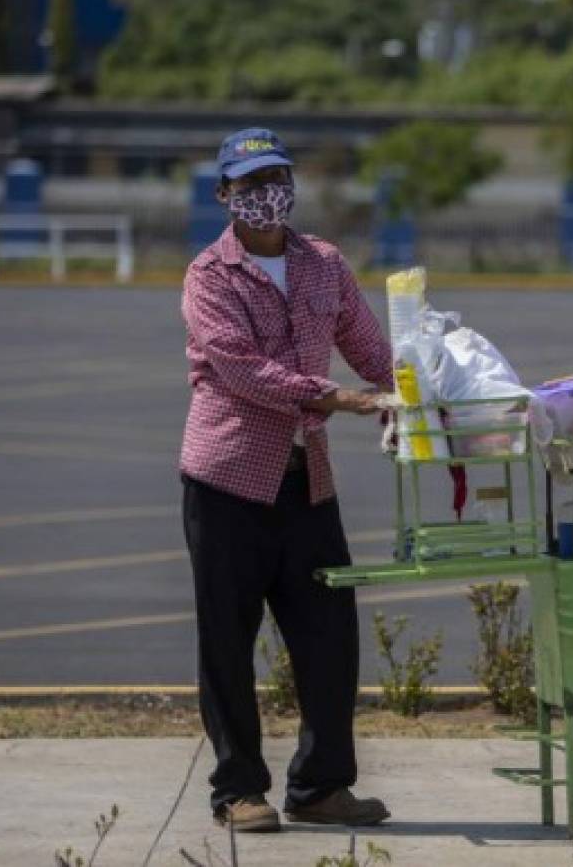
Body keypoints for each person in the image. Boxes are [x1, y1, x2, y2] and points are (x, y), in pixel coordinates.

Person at [180, 128, 392, 832]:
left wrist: (422, 391)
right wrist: (339, 399)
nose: (266, 196)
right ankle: (238, 791)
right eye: (248, 186)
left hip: (309, 483)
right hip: (230, 482)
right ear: (224, 196)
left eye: (275, 180)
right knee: (227, 642)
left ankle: (322, 786)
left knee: (329, 638)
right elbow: (241, 369)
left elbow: (369, 345)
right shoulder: (210, 276)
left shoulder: (324, 265)